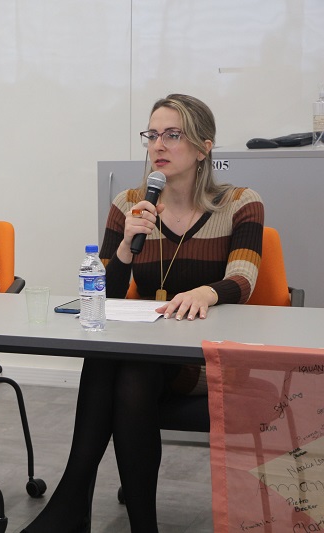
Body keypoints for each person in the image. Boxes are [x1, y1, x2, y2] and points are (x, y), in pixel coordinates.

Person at [22, 94, 264, 533]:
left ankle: (70, 508)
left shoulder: (240, 203)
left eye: (173, 135)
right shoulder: (130, 203)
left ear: (204, 147)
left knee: (127, 367)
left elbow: (244, 279)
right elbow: (106, 294)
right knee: (120, 364)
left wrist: (207, 293)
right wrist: (123, 249)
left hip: (206, 357)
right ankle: (115, 520)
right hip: (150, 350)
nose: (159, 145)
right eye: (152, 135)